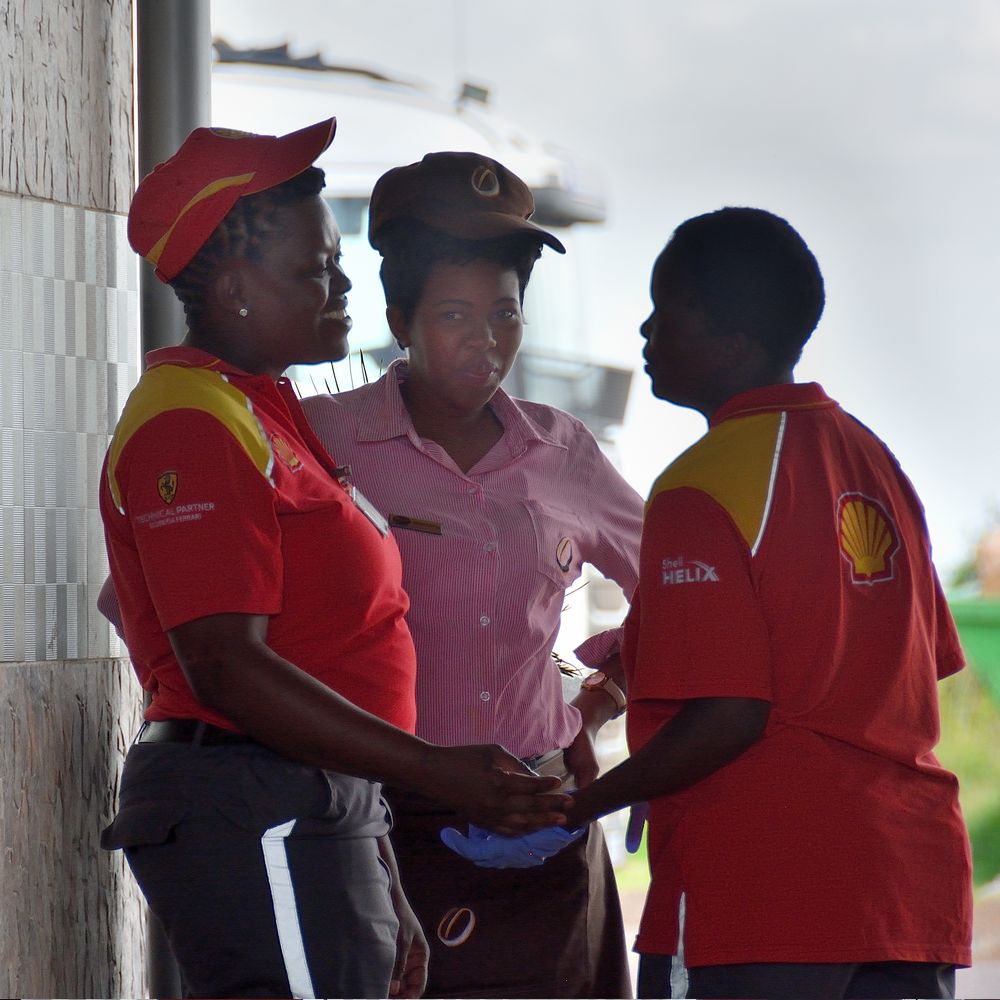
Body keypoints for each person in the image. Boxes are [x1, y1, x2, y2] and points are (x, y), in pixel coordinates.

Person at [98, 120, 570, 1000]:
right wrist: (431, 768)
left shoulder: (262, 411)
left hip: (310, 802)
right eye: (317, 269)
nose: (346, 284)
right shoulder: (191, 423)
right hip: (254, 800)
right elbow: (226, 665)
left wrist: (374, 851)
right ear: (235, 289)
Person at [550, 207, 972, 999]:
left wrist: (584, 804)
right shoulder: (874, 459)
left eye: (665, 309)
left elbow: (730, 711)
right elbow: (916, 665)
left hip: (761, 891)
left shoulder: (699, 482)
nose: (644, 330)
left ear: (732, 337)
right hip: (904, 885)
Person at [300, 151, 643, 998]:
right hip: (385, 829)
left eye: (506, 313)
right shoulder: (323, 441)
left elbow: (689, 591)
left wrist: (595, 701)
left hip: (546, 829)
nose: (486, 341)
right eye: (455, 313)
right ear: (399, 314)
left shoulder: (562, 450)